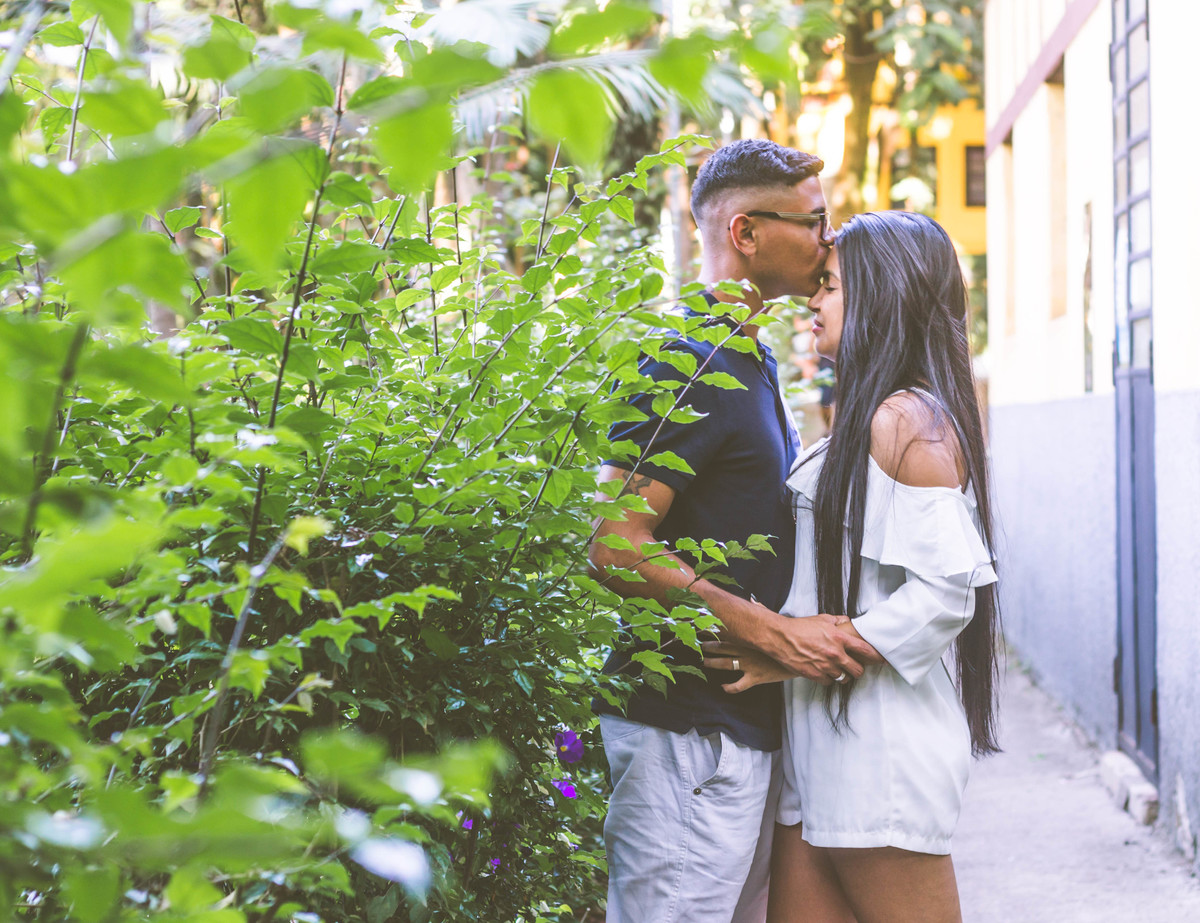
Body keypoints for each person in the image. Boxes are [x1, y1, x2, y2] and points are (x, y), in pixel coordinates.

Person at [587, 140, 881, 923]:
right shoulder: (686, 356)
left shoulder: (745, 357)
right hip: (685, 730)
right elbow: (614, 543)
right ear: (746, 233)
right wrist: (773, 631)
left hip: (733, 733)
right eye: (816, 221)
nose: (830, 238)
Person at [703, 210, 1001, 923]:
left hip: (880, 757)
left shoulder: (905, 419)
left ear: (880, 295)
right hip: (820, 749)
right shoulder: (860, 418)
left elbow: (945, 592)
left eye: (830, 284)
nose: (813, 298)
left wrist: (802, 650)